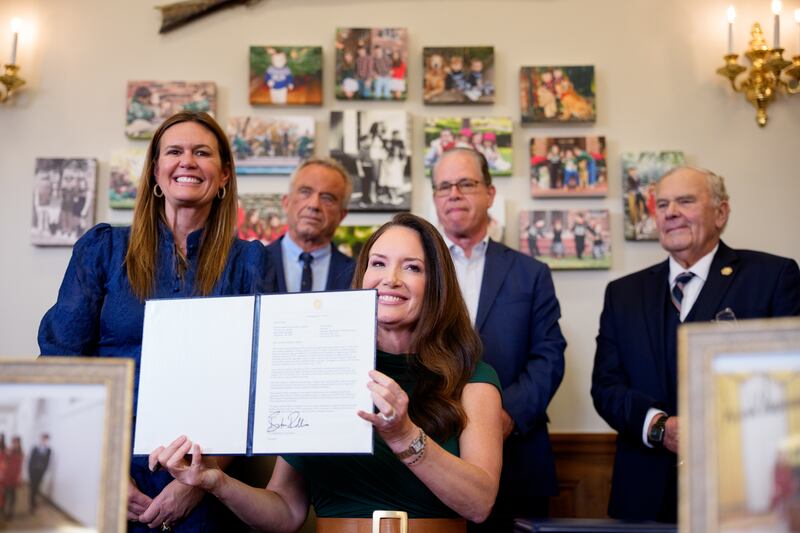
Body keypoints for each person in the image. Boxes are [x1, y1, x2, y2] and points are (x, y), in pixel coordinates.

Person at [150, 213, 504, 532]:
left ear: (437, 285)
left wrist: (403, 435)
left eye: (412, 268)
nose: (390, 279)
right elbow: (286, 511)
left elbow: (479, 503)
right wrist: (215, 482)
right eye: (378, 264)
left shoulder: (472, 378)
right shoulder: (321, 369)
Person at [38, 111, 267, 532]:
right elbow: (59, 364)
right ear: (156, 174)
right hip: (101, 461)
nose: (188, 161)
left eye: (202, 153)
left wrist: (199, 483)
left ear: (224, 177)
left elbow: (257, 385)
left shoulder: (250, 262)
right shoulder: (104, 249)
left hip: (206, 471)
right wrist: (103, 469)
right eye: (175, 152)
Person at [592, 166, 800, 522]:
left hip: (742, 491)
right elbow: (606, 387)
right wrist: (659, 427)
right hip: (643, 494)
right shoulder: (623, 293)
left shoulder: (773, 277)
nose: (671, 212)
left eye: (685, 201)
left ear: (721, 212)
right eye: (662, 204)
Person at [431, 148, 566, 529]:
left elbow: (549, 356)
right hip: (431, 455)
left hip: (518, 457)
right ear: (435, 199)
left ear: (490, 194)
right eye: (444, 187)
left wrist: (502, 417)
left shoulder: (531, 273)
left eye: (466, 183)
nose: (454, 193)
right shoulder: (417, 270)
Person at [265, 157, 355, 293]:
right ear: (286, 202)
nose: (314, 205)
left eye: (327, 198)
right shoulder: (252, 264)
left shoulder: (356, 274)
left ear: (342, 215)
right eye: (305, 192)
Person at [28, 433, 52, 514]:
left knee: (37, 488)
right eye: (43, 439)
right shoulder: (35, 448)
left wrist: (44, 471)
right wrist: (30, 471)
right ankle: (32, 505)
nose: (44, 440)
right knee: (33, 488)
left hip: (40, 472)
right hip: (33, 472)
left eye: (46, 439)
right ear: (41, 439)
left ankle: (33, 503)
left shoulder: (49, 450)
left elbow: (47, 462)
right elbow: (30, 461)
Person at [3, 437, 22, 520]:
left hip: (15, 477)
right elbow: (3, 460)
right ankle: (3, 510)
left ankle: (10, 512)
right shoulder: (8, 451)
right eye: (14, 442)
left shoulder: (21, 453)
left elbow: (20, 466)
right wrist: (7, 452)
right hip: (7, 475)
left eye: (17, 443)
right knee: (5, 494)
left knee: (13, 495)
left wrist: (19, 476)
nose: (15, 444)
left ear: (19, 443)